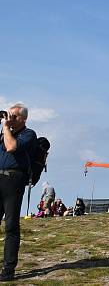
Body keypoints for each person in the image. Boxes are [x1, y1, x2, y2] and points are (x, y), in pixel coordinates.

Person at [0, 104, 38, 281]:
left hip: (14, 180)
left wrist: (6, 128)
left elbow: (12, 147)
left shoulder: (29, 134)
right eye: (9, 116)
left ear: (23, 119)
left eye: (14, 116)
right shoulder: (4, 133)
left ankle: (8, 269)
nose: (10, 119)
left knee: (11, 225)